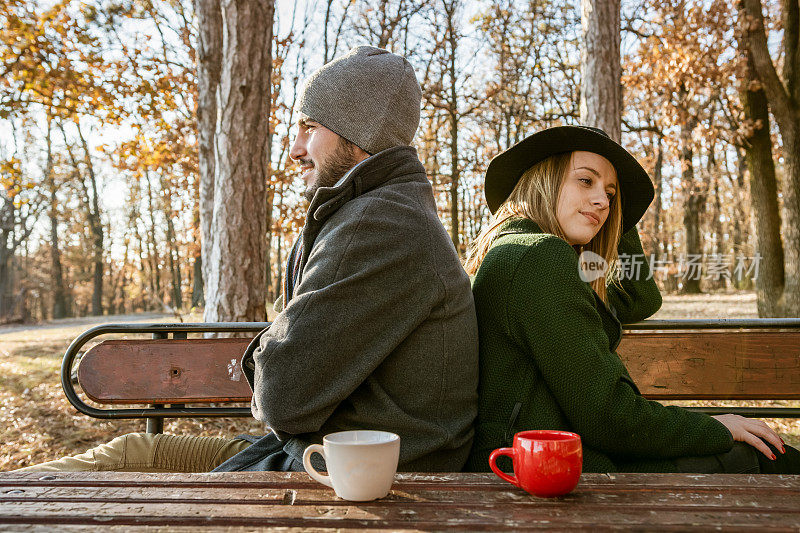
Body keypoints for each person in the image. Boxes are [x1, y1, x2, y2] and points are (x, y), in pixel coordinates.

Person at [20, 46, 478, 473]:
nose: (295, 148)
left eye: (309, 128)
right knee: (127, 452)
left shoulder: (380, 226)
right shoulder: (381, 214)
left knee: (122, 466)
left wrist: (272, 356)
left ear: (358, 136)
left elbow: (281, 394)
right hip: (325, 456)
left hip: (352, 475)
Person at [463, 125, 799, 474]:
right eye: (585, 181)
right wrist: (718, 426)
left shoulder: (516, 250)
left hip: (546, 460)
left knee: (768, 456)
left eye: (610, 194)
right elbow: (610, 417)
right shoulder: (541, 258)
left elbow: (641, 297)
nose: (603, 201)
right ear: (543, 179)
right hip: (544, 470)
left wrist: (618, 218)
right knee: (763, 458)